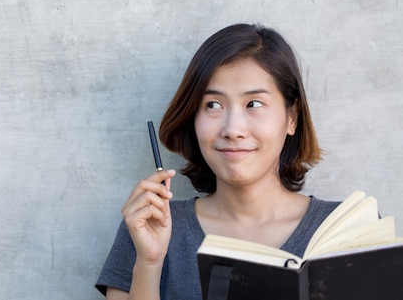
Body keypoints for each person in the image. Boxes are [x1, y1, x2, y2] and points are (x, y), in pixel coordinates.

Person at [95, 24, 340, 300]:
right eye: (213, 105)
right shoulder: (147, 227)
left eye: (254, 104)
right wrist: (149, 264)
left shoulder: (347, 230)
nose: (232, 129)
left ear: (292, 117)